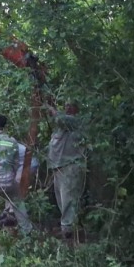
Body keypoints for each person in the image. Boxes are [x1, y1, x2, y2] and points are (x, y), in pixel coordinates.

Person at [47, 102, 86, 239]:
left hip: (70, 166)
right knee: (62, 198)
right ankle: (67, 227)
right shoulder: (62, 127)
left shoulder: (75, 122)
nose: (68, 108)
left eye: (71, 105)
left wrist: (51, 109)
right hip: (59, 166)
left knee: (68, 198)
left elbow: (60, 119)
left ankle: (69, 229)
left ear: (77, 108)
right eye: (66, 105)